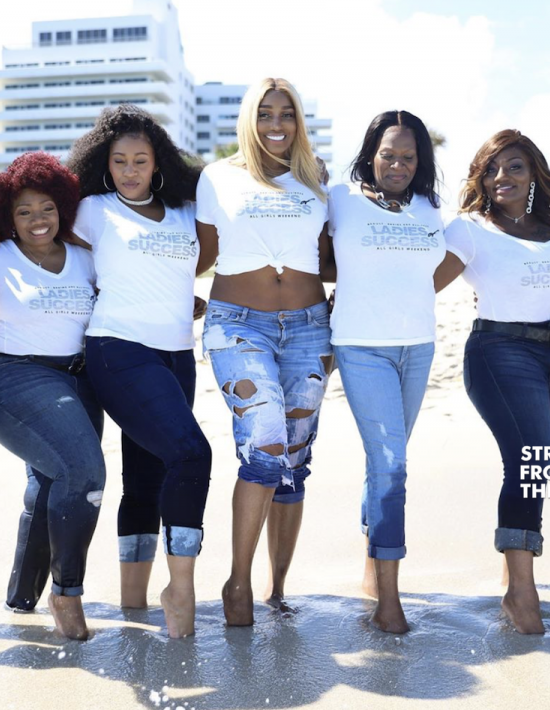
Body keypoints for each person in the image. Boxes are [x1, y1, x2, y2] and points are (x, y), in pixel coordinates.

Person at [66, 104, 211, 638]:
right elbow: (35, 230)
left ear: (158, 164)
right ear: (104, 164)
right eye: (120, 161)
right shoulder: (92, 209)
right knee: (192, 454)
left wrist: (182, 299)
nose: (130, 171)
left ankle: (133, 606)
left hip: (177, 353)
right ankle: (180, 589)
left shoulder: (184, 211)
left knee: (149, 474)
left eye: (140, 161)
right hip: (118, 349)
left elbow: (192, 263)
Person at [196, 77, 332, 626]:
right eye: (265, 113)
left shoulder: (316, 179)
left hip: (309, 327)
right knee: (266, 444)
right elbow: (198, 254)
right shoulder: (217, 177)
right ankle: (238, 582)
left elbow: (331, 256)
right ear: (248, 120)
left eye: (287, 114)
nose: (277, 124)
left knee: (295, 459)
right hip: (238, 326)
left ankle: (278, 588)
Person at [435, 129, 550, 634]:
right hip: (499, 351)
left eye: (515, 167)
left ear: (534, 173)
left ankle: (512, 575)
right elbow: (423, 284)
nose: (502, 177)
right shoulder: (470, 230)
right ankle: (522, 593)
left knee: (540, 467)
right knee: (529, 461)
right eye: (491, 169)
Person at [0, 152, 104, 641]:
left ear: (62, 207)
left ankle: (21, 599)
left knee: (52, 482)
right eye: (23, 211)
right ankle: (67, 592)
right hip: (14, 377)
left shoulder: (85, 257)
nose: (37, 220)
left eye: (47, 208)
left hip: (79, 381)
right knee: (83, 471)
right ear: (5, 215)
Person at [327, 110, 445, 633]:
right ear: (370, 155)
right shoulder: (340, 199)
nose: (398, 164)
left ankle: (372, 570)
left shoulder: (430, 207)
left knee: (384, 464)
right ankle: (389, 602)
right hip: (361, 346)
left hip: (418, 347)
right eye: (388, 154)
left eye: (408, 156)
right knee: (393, 465)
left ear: (421, 161)